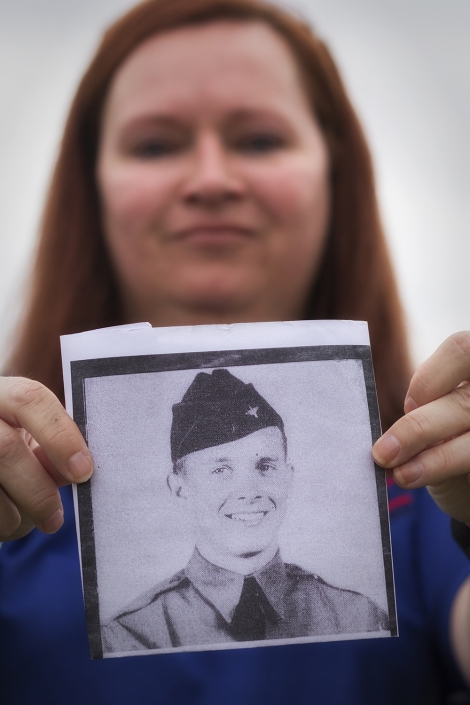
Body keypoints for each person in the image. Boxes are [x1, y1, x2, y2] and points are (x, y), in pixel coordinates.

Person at [0, 0, 469, 703]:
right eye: (155, 145)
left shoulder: (437, 496)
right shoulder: (16, 512)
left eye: (258, 139)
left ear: (334, 177)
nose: (212, 179)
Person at [102, 369, 387, 652]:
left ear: (288, 476)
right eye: (220, 470)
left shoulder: (357, 617)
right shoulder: (130, 637)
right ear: (179, 487)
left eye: (265, 466)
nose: (249, 492)